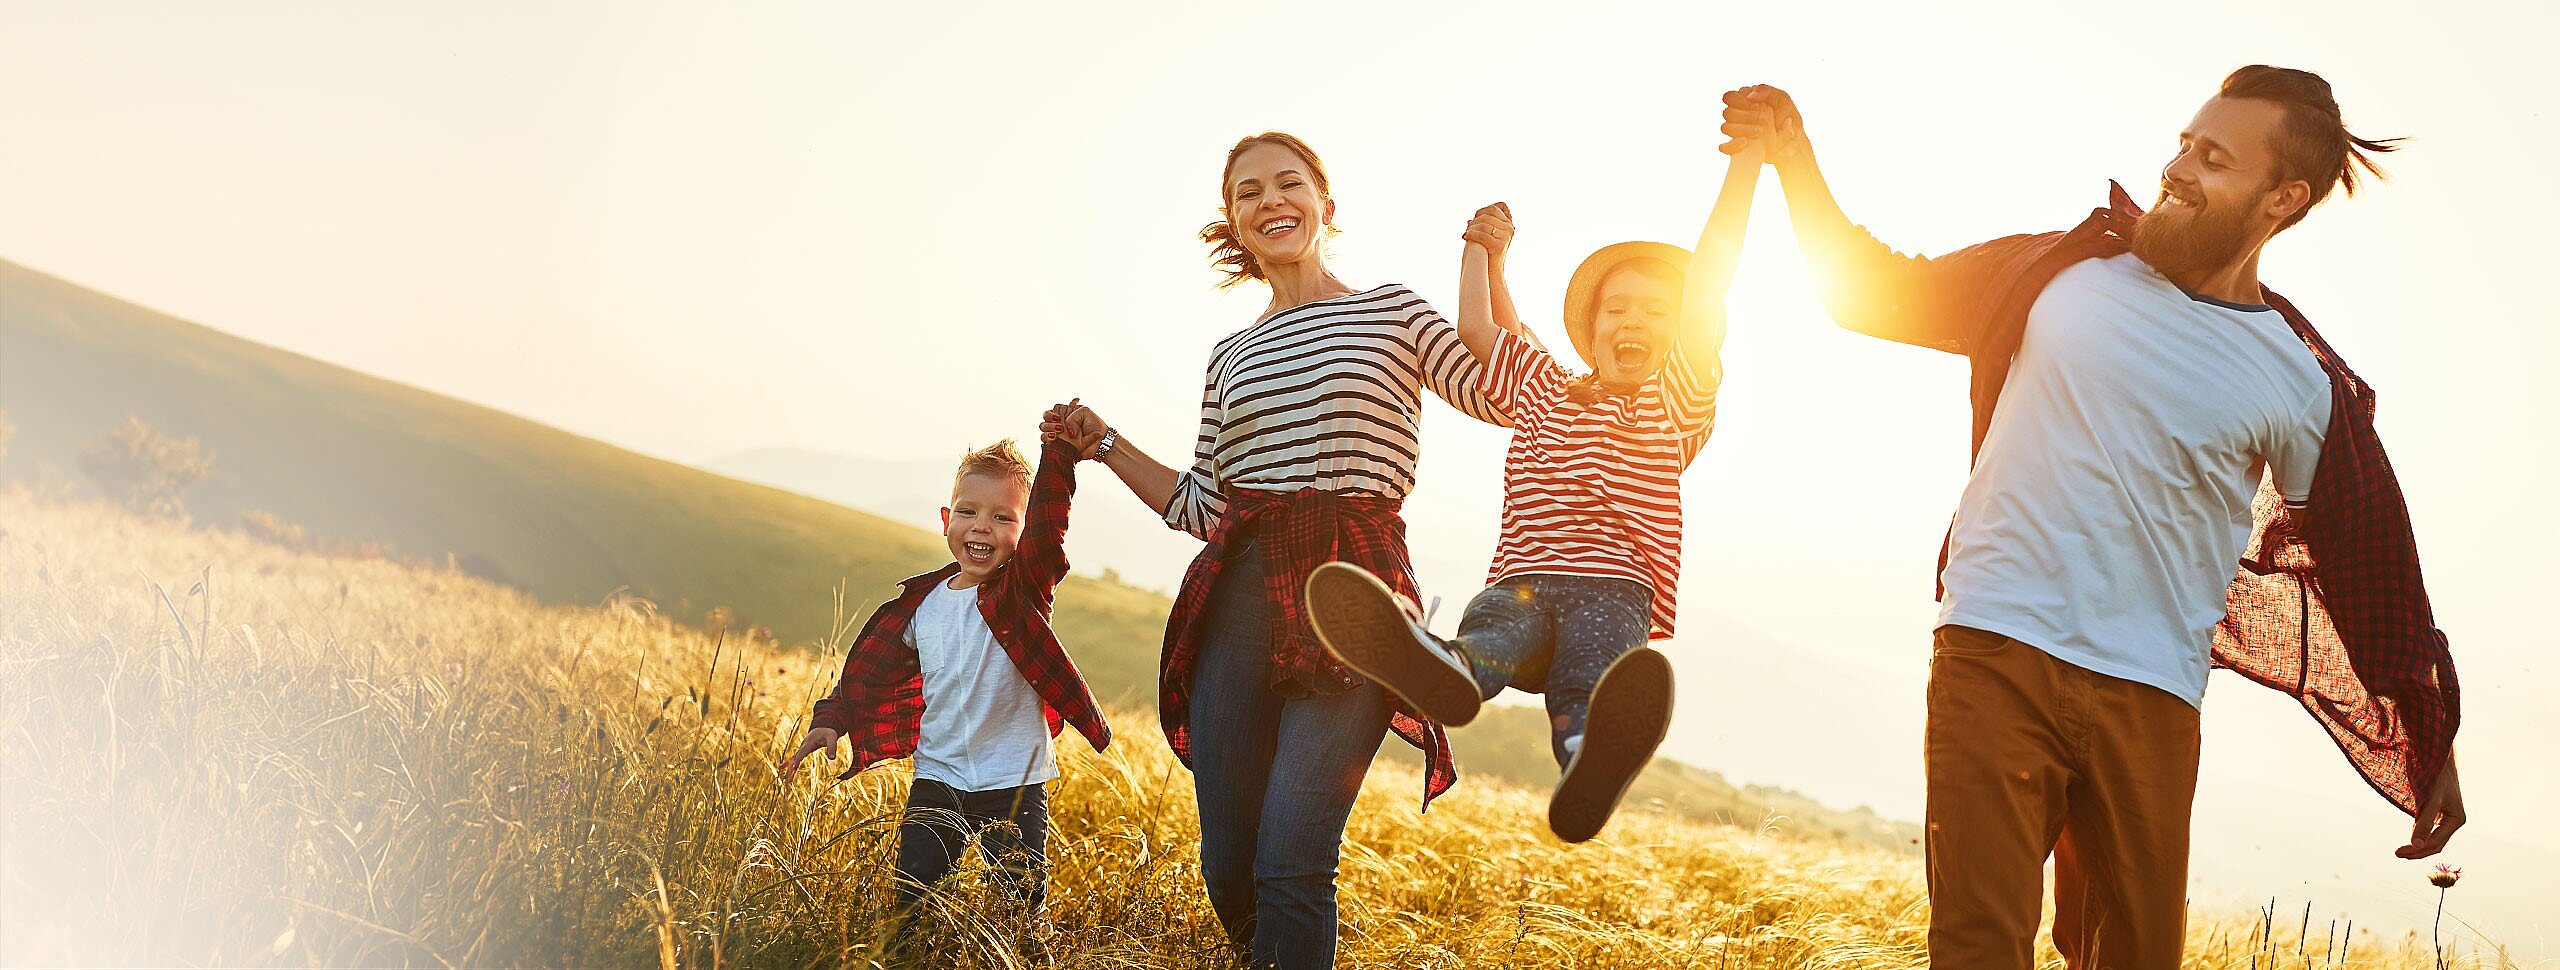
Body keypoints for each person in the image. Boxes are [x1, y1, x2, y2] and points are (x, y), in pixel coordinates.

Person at [1718, 67, 2465, 968]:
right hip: (1996, 652)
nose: (2177, 166)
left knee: (2131, 957)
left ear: (2281, 198)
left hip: (2150, 698)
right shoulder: (2060, 273)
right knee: (1979, 945)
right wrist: (1794, 158)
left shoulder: (2296, 380)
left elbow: (2364, 563)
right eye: (2185, 142)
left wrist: (2431, 743)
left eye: (2214, 158)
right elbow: (1869, 291)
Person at [1042, 131, 1509, 969]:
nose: (1271, 202)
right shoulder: (1230, 355)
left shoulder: (1392, 311)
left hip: (1355, 595)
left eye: (1288, 184)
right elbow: (1201, 505)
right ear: (1235, 222)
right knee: (1229, 864)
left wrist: (1484, 260)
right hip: (1240, 594)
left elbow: (1497, 390)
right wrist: (1102, 441)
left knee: (1294, 854)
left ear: (1326, 204)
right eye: (1248, 194)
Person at [1303, 145, 1763, 844]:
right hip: (1523, 581)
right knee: (1492, 637)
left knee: (1589, 685)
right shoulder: (1544, 385)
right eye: (1618, 309)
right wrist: (1481, 250)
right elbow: (1480, 331)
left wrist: (1744, 171)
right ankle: (1444, 669)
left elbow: (1710, 288)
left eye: (1656, 313)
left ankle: (1585, 761)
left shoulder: (1676, 401)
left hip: (1614, 591)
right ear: (1593, 327)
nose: (1633, 322)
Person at [779, 434, 1112, 943]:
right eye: (969, 511)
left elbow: (1050, 523)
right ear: (945, 520)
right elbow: (867, 677)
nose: (982, 526)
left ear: (1024, 534)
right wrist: (831, 720)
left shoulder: (1022, 590)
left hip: (1013, 784)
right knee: (908, 906)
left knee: (1019, 913)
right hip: (939, 775)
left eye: (1004, 517)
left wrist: (1059, 453)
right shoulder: (921, 604)